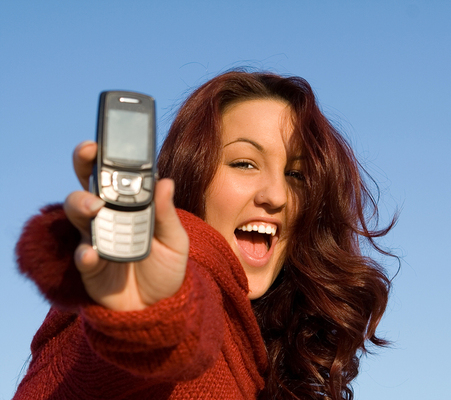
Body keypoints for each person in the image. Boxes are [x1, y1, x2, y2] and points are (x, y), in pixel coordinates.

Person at [14, 70, 395, 400]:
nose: (276, 195)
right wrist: (145, 298)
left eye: (296, 175)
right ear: (190, 174)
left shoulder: (258, 351)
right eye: (244, 163)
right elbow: (169, 329)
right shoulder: (191, 264)